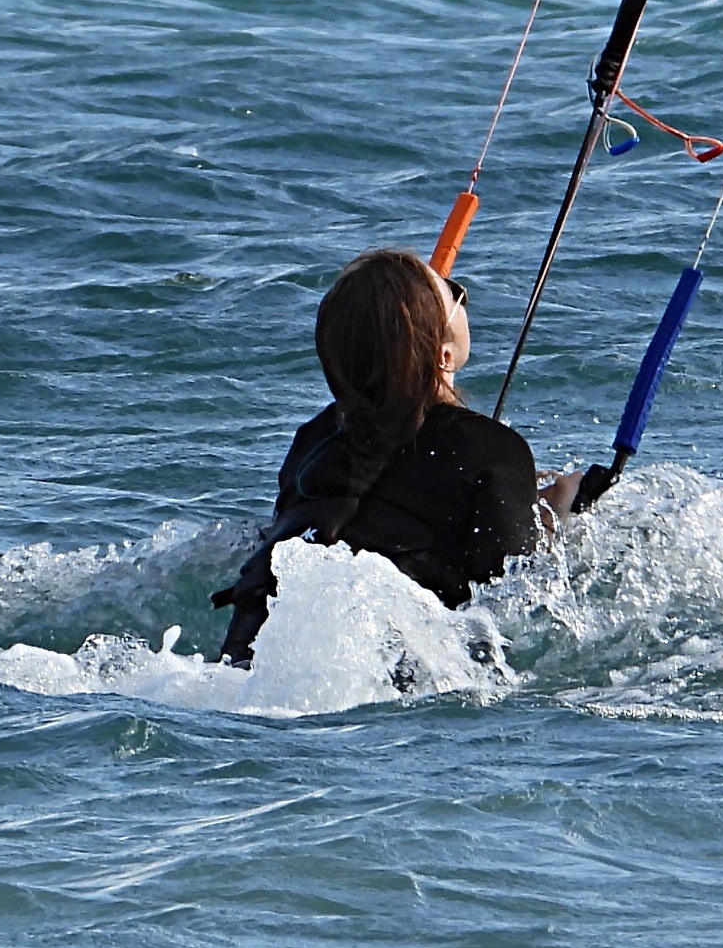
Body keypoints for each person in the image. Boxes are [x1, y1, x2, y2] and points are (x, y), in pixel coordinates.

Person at [212, 248, 578, 666]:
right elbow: (511, 593)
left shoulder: (312, 440)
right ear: (444, 355)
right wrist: (554, 513)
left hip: (252, 649)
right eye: (457, 295)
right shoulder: (493, 450)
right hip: (387, 661)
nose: (463, 296)